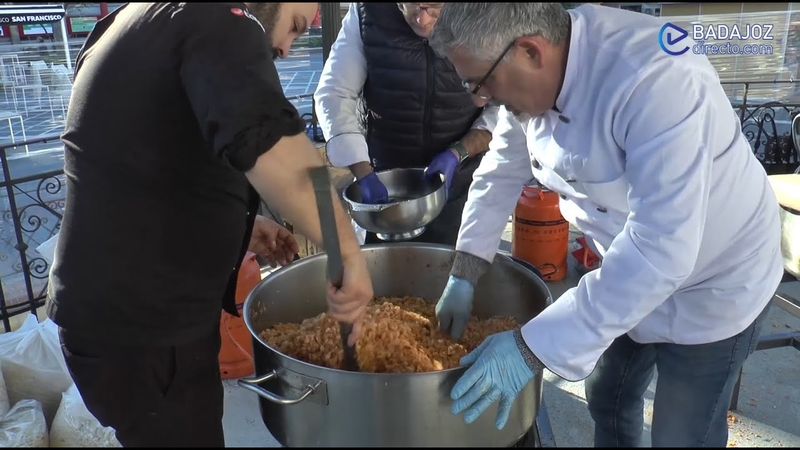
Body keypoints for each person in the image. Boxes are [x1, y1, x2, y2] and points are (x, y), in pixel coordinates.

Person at [427, 3, 784, 447]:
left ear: (530, 51)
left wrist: (528, 347)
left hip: (716, 282)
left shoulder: (656, 79)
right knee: (608, 397)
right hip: (623, 266)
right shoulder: (523, 87)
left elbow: (661, 248)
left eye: (483, 84)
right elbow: (500, 171)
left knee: (681, 433)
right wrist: (465, 270)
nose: (482, 100)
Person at [47, 3, 373, 447]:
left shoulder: (146, 16)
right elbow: (274, 148)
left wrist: (241, 222)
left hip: (111, 322)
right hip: (145, 331)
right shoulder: (217, 19)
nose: (284, 47)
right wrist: (349, 254)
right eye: (295, 27)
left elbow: (148, 156)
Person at [314, 2, 498, 246]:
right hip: (384, 189)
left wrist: (460, 152)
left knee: (452, 268)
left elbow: (501, 104)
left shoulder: (482, 14)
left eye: (433, 8)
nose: (422, 20)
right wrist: (363, 172)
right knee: (380, 277)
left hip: (461, 185)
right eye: (412, 6)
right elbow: (335, 93)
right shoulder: (368, 12)